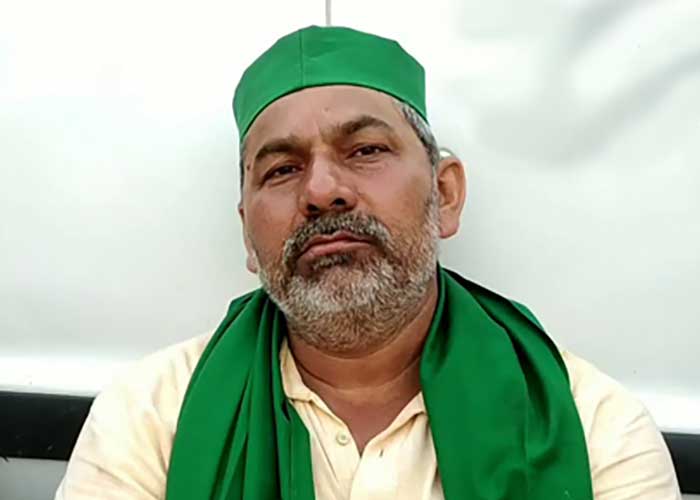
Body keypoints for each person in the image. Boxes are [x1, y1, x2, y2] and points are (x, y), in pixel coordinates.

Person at [56, 26, 681, 500]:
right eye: (282, 169)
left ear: (445, 195)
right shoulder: (150, 418)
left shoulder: (595, 429)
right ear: (247, 234)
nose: (321, 190)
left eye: (365, 150)